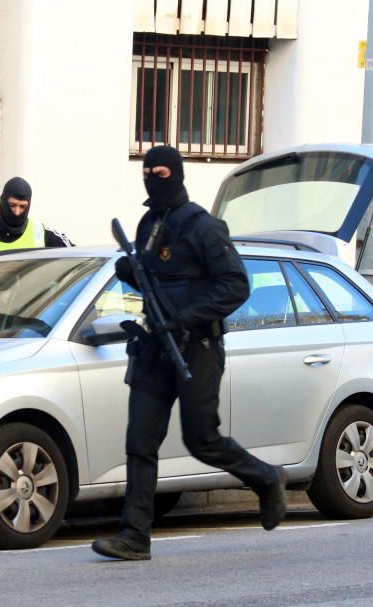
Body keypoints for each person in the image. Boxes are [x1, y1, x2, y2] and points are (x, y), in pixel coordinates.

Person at [91, 145, 287, 561]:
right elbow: (152, 278)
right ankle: (134, 535)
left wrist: (186, 317)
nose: (151, 179)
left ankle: (266, 479)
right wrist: (132, 274)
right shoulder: (148, 224)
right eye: (145, 172)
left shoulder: (204, 226)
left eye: (159, 173)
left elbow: (235, 285)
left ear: (177, 175)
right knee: (140, 442)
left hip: (196, 348)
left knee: (202, 440)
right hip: (153, 349)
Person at [0, 177, 72, 264]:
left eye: (22, 206)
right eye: (12, 205)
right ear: (3, 201)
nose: (17, 212)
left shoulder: (44, 234)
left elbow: (81, 262)